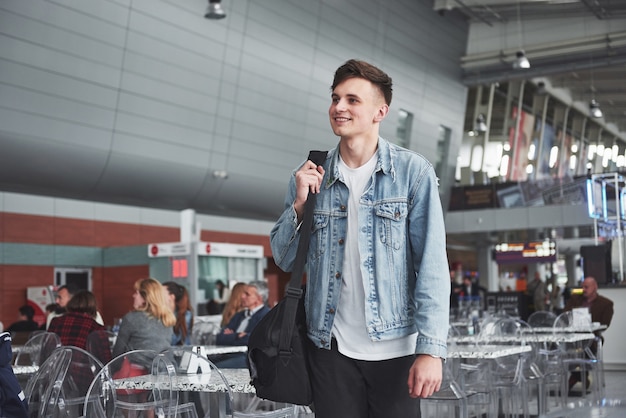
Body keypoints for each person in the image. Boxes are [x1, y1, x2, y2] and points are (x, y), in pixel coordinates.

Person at [270, 59, 450, 417]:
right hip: (329, 348)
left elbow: (431, 266)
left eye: (353, 100)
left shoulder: (413, 173)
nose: (339, 107)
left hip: (396, 350)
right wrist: (300, 206)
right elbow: (284, 259)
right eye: (336, 98)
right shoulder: (311, 174)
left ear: (380, 111)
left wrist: (431, 350)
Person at [563, 276, 614, 390]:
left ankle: (576, 377)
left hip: (592, 337)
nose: (583, 289)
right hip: (573, 336)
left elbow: (605, 324)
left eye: (586, 287)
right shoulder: (575, 299)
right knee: (563, 347)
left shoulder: (606, 304)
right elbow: (565, 315)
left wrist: (589, 324)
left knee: (585, 346)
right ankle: (580, 376)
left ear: (595, 287)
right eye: (582, 287)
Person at [112, 278, 176, 362]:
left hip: (138, 372)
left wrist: (112, 372)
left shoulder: (132, 318)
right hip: (166, 370)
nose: (133, 296)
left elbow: (118, 355)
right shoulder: (167, 318)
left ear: (145, 297)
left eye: (136, 293)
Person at [215, 281, 270, 368]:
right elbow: (219, 338)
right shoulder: (239, 315)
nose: (242, 296)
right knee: (200, 363)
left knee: (212, 368)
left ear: (259, 298)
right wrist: (238, 335)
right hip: (229, 354)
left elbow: (255, 340)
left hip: (248, 358)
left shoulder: (267, 316)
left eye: (247, 294)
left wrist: (232, 336)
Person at [48, 290, 111, 364]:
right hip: (84, 373)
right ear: (93, 307)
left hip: (57, 372)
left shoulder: (56, 322)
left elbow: (46, 350)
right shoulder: (96, 328)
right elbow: (106, 361)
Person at [163, 281, 194, 346]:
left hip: (181, 353)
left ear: (171, 297)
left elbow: (173, 340)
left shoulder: (185, 315)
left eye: (161, 294)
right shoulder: (163, 313)